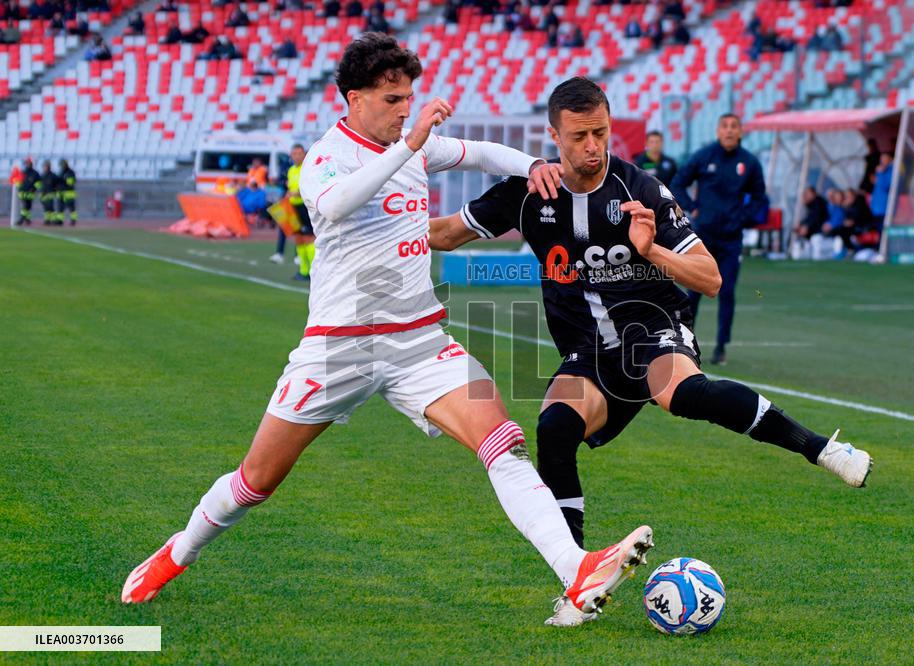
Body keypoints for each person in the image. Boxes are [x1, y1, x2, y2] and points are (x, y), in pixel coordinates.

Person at [121, 35, 653, 625]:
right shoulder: (326, 158)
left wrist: (532, 165)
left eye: (410, 98)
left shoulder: (411, 143)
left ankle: (574, 570)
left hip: (420, 342)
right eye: (392, 98)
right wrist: (412, 146)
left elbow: (477, 152)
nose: (405, 109)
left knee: (501, 439)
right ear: (354, 99)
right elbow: (341, 204)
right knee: (256, 480)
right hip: (337, 349)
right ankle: (179, 550)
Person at [428, 78, 873, 622]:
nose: (593, 146)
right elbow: (446, 234)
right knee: (554, 429)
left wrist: (651, 249)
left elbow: (709, 278)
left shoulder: (641, 189)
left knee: (681, 394)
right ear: (554, 135)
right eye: (579, 136)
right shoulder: (529, 190)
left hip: (654, 329)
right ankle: (578, 584)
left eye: (601, 132)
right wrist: (379, 223)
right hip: (589, 354)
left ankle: (821, 448)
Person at [670, 113, 766, 365]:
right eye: (725, 126)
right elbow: (678, 183)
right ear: (717, 131)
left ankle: (721, 347)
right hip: (702, 238)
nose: (729, 131)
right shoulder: (704, 156)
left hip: (731, 239)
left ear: (741, 132)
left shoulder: (749, 162)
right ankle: (685, 343)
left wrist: (742, 218)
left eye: (734, 127)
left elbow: (759, 198)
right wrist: (692, 207)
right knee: (694, 292)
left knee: (727, 292)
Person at [285, 143, 315, 281]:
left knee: (309, 238)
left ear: (304, 154)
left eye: (299, 153)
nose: (297, 156)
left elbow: (311, 187)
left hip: (305, 207)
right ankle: (303, 271)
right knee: (298, 239)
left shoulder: (308, 168)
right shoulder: (291, 170)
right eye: (294, 154)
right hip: (293, 209)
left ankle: (314, 272)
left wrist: (298, 193)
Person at [869, 151, 893, 230]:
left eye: (884, 159)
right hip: (876, 209)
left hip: (884, 209)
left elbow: (884, 186)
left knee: (884, 233)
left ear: (890, 159)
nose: (882, 161)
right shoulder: (883, 170)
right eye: (881, 159)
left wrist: (880, 173)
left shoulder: (892, 170)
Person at [16, 157, 40, 226]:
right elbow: (18, 181)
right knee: (25, 206)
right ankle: (22, 219)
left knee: (28, 206)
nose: (28, 165)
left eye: (29, 163)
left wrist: (34, 188)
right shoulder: (22, 172)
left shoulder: (35, 174)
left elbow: (38, 183)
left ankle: (26, 219)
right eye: (27, 163)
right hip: (23, 193)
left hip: (30, 193)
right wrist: (20, 187)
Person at [38, 160, 62, 225]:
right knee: (46, 208)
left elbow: (58, 184)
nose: (45, 168)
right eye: (44, 166)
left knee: (50, 207)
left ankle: (53, 220)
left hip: (50, 193)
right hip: (43, 194)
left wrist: (56, 190)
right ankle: (47, 220)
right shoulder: (42, 176)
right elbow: (40, 184)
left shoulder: (53, 176)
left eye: (46, 166)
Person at [56, 158, 77, 226]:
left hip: (68, 193)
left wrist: (64, 180)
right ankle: (60, 220)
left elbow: (70, 182)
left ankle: (73, 220)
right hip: (61, 193)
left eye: (62, 165)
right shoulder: (61, 172)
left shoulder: (70, 172)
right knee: (60, 208)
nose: (61, 166)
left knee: (71, 208)